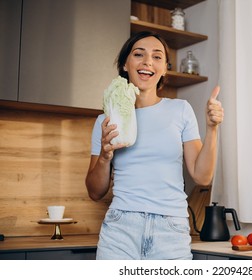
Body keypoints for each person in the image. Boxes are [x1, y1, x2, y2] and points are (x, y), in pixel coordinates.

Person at [85, 31, 224, 260]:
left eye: (157, 57)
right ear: (124, 65)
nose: (148, 61)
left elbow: (202, 177)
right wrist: (104, 157)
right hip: (120, 230)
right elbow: (94, 192)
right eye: (139, 54)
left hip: (170, 231)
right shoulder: (106, 120)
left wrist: (212, 129)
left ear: (164, 69)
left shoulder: (180, 109)